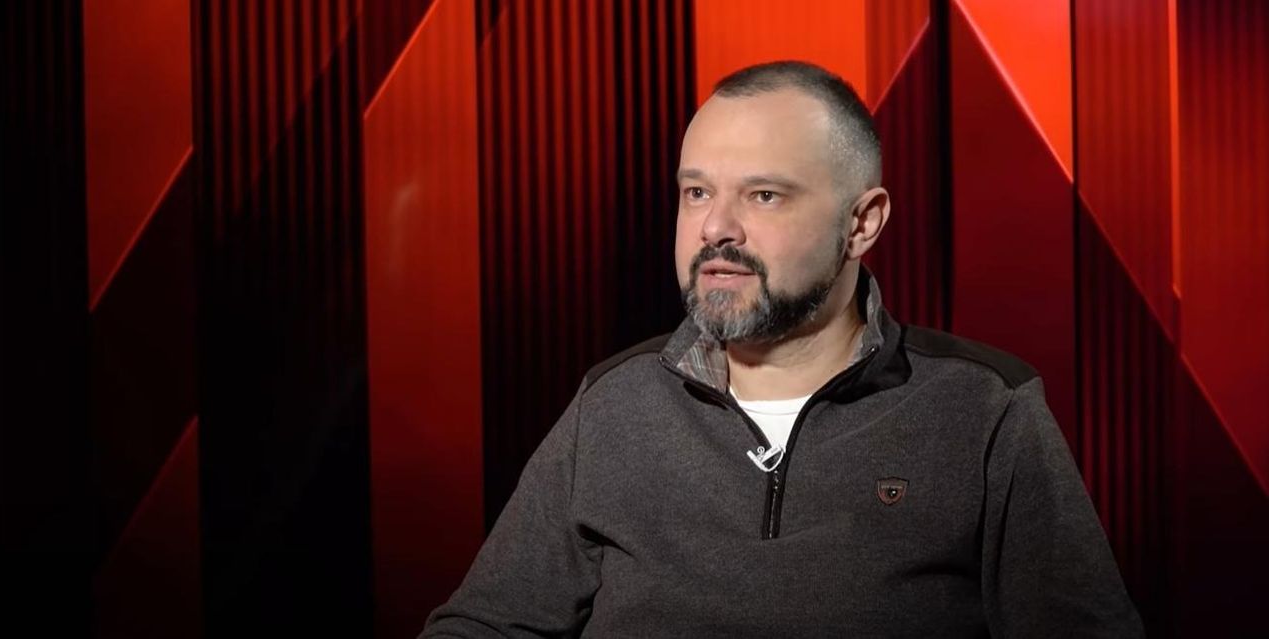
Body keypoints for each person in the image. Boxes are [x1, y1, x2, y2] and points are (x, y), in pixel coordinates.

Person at [422, 61, 1142, 637]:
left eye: (763, 195)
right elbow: (484, 624)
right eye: (696, 192)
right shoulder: (614, 403)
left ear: (862, 223)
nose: (716, 228)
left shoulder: (983, 410)